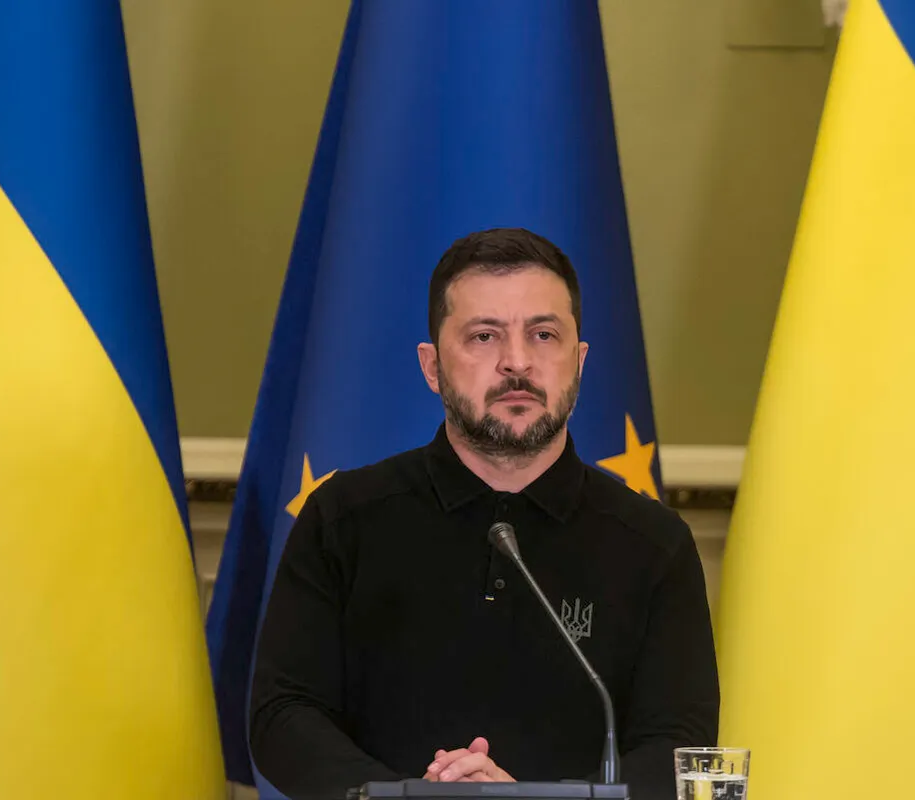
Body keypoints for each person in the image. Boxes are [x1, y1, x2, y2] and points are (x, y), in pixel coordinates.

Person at [249, 227, 719, 800]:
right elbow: (284, 713)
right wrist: (405, 798)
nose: (516, 362)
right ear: (432, 366)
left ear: (579, 361)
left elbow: (680, 745)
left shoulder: (653, 542)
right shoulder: (345, 518)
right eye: (483, 336)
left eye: (544, 334)